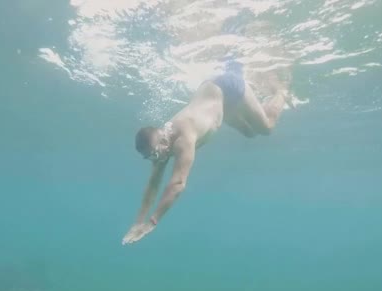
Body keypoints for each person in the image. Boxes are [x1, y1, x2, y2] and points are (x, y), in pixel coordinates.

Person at [121, 60, 293, 245]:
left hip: (228, 87)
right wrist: (138, 222)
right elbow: (153, 184)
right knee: (250, 133)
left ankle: (281, 91)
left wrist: (152, 222)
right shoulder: (160, 145)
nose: (156, 159)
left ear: (162, 139)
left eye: (155, 154)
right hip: (214, 96)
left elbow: (177, 184)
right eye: (150, 157)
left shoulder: (182, 140)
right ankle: (253, 88)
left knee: (266, 127)